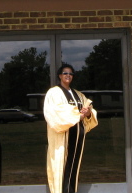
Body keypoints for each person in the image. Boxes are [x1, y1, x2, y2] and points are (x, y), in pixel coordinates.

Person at [44, 64, 98, 193]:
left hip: (77, 137)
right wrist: (79, 115)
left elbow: (88, 107)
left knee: (73, 167)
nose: (68, 76)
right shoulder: (54, 92)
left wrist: (88, 112)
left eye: (71, 74)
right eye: (65, 73)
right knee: (61, 167)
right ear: (60, 75)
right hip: (61, 138)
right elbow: (56, 112)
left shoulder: (78, 94)